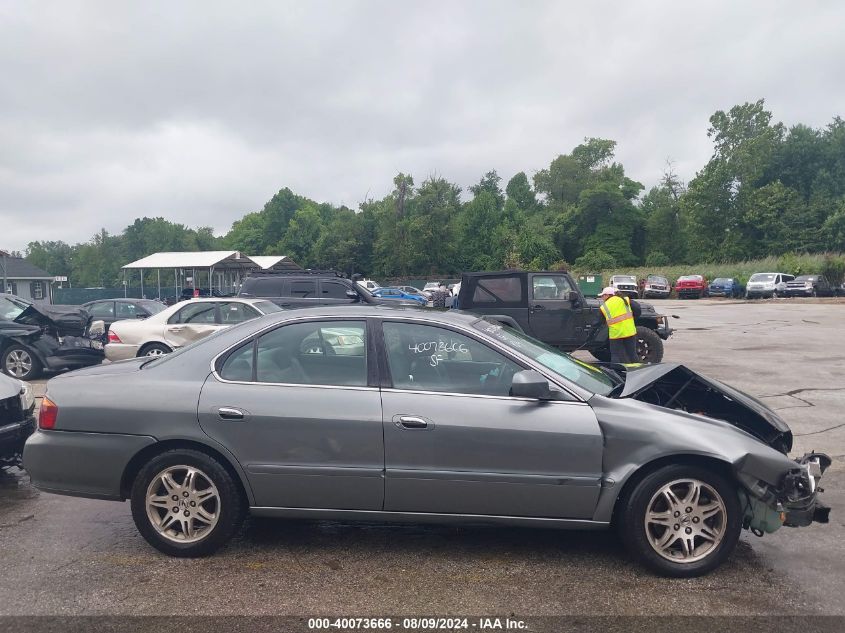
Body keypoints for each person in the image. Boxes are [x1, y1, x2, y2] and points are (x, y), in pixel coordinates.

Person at [598, 286, 641, 364]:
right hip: (629, 332)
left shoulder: (604, 307)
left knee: (615, 355)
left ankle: (616, 373)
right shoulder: (624, 299)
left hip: (616, 335)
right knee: (632, 354)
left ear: (607, 295)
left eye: (602, 295)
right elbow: (637, 309)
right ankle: (638, 371)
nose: (601, 297)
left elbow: (600, 321)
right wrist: (633, 319)